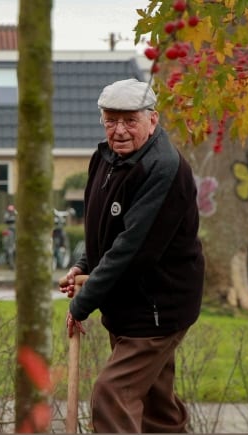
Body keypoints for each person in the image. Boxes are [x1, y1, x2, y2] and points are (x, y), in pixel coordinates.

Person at [59, 78, 205, 433]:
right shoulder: (105, 158)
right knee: (158, 411)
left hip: (156, 310)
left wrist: (82, 304)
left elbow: (131, 250)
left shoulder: (163, 169)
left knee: (112, 395)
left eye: (130, 121)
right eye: (111, 120)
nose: (119, 130)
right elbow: (102, 227)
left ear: (152, 120)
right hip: (130, 305)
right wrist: (83, 263)